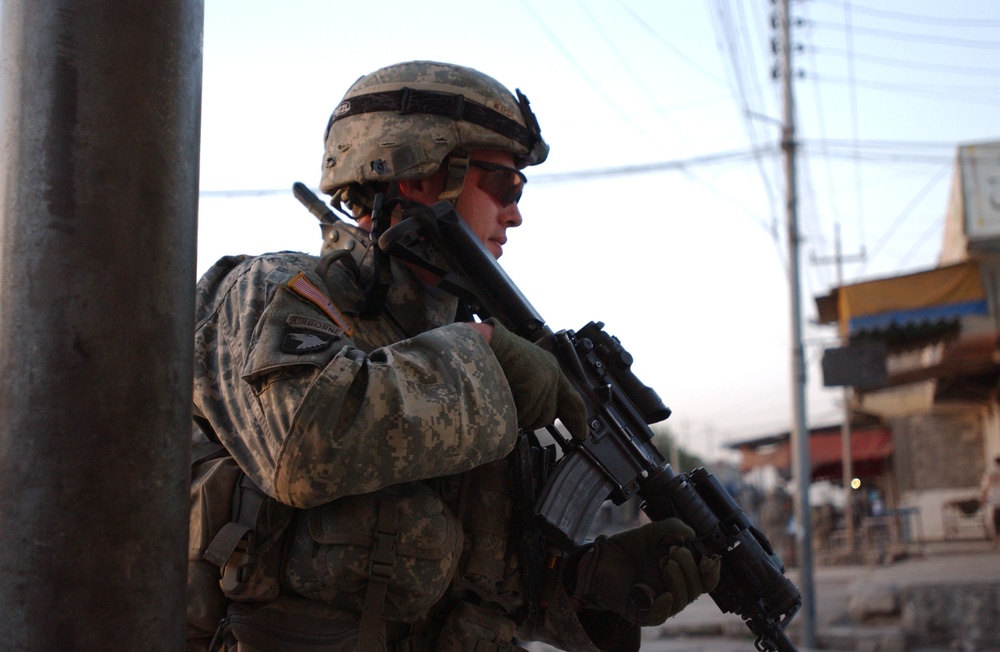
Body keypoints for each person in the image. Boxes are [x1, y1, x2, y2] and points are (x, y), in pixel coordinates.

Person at [190, 60, 719, 652]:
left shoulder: (467, 364)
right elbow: (302, 445)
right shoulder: (274, 292)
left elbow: (480, 594)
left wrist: (586, 583)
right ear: (419, 175)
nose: (515, 212)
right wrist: (488, 357)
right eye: (505, 185)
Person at [980, 455, 1000, 546]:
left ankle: (997, 540)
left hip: (996, 500)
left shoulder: (992, 472)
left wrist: (982, 497)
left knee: (996, 520)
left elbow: (986, 486)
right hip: (996, 500)